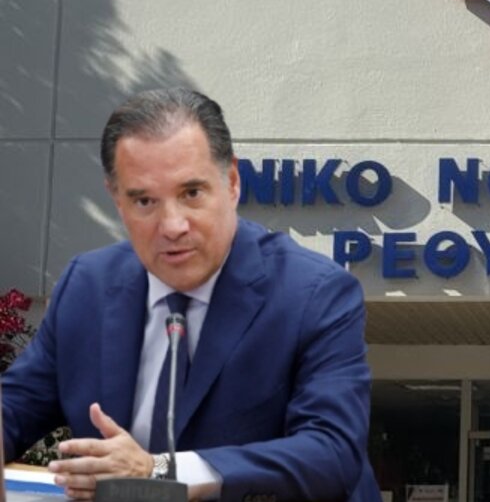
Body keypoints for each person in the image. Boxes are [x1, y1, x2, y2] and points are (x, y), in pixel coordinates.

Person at [1, 89, 381, 501]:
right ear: (117, 200)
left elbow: (332, 452)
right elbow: (14, 406)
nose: (172, 226)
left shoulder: (314, 294)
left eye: (191, 193)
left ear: (231, 183)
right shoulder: (87, 286)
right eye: (145, 201)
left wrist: (159, 471)